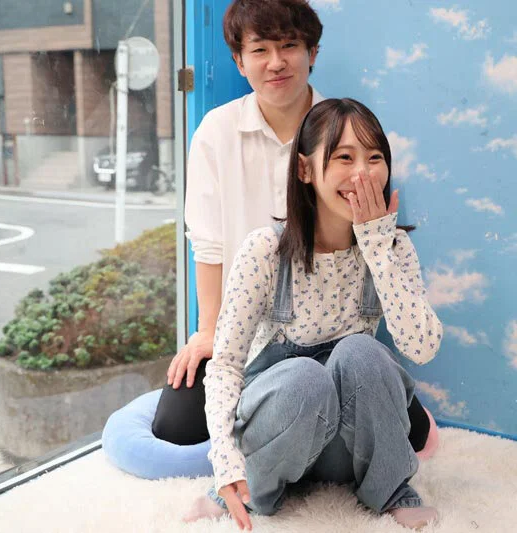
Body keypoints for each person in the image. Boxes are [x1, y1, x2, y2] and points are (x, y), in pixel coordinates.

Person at [151, 0, 437, 457]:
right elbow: (207, 243)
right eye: (259, 50)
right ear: (239, 61)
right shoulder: (216, 132)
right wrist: (208, 331)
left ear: (312, 53)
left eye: (289, 46)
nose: (276, 62)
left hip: (332, 333)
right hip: (247, 331)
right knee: (177, 425)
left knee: (411, 432)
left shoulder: (343, 128)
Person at [184, 98, 444, 530]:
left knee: (362, 352)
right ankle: (249, 492)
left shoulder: (391, 248)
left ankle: (390, 489)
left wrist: (377, 246)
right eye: (344, 157)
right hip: (281, 433)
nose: (362, 174)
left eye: (374, 158)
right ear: (305, 169)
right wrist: (226, 463)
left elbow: (422, 348)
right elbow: (226, 366)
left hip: (346, 449)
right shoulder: (264, 251)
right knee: (306, 377)